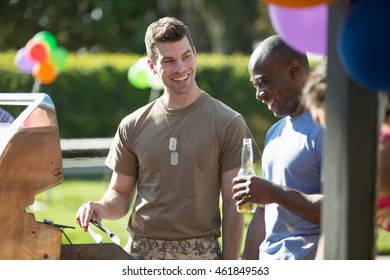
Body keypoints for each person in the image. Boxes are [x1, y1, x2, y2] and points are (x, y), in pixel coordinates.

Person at [75, 16, 261, 260]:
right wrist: (100, 207)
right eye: (169, 61)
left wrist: (228, 266)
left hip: (201, 254)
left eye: (186, 56)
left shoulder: (228, 122)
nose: (181, 67)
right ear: (152, 66)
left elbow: (232, 205)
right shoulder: (132, 125)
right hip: (141, 253)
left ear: (195, 54)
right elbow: (119, 194)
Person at [232, 35, 324, 260]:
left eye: (263, 82)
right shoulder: (275, 133)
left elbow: (336, 210)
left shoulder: (325, 128)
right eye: (255, 86)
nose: (259, 94)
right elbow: (265, 211)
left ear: (294, 69)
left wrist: (273, 192)